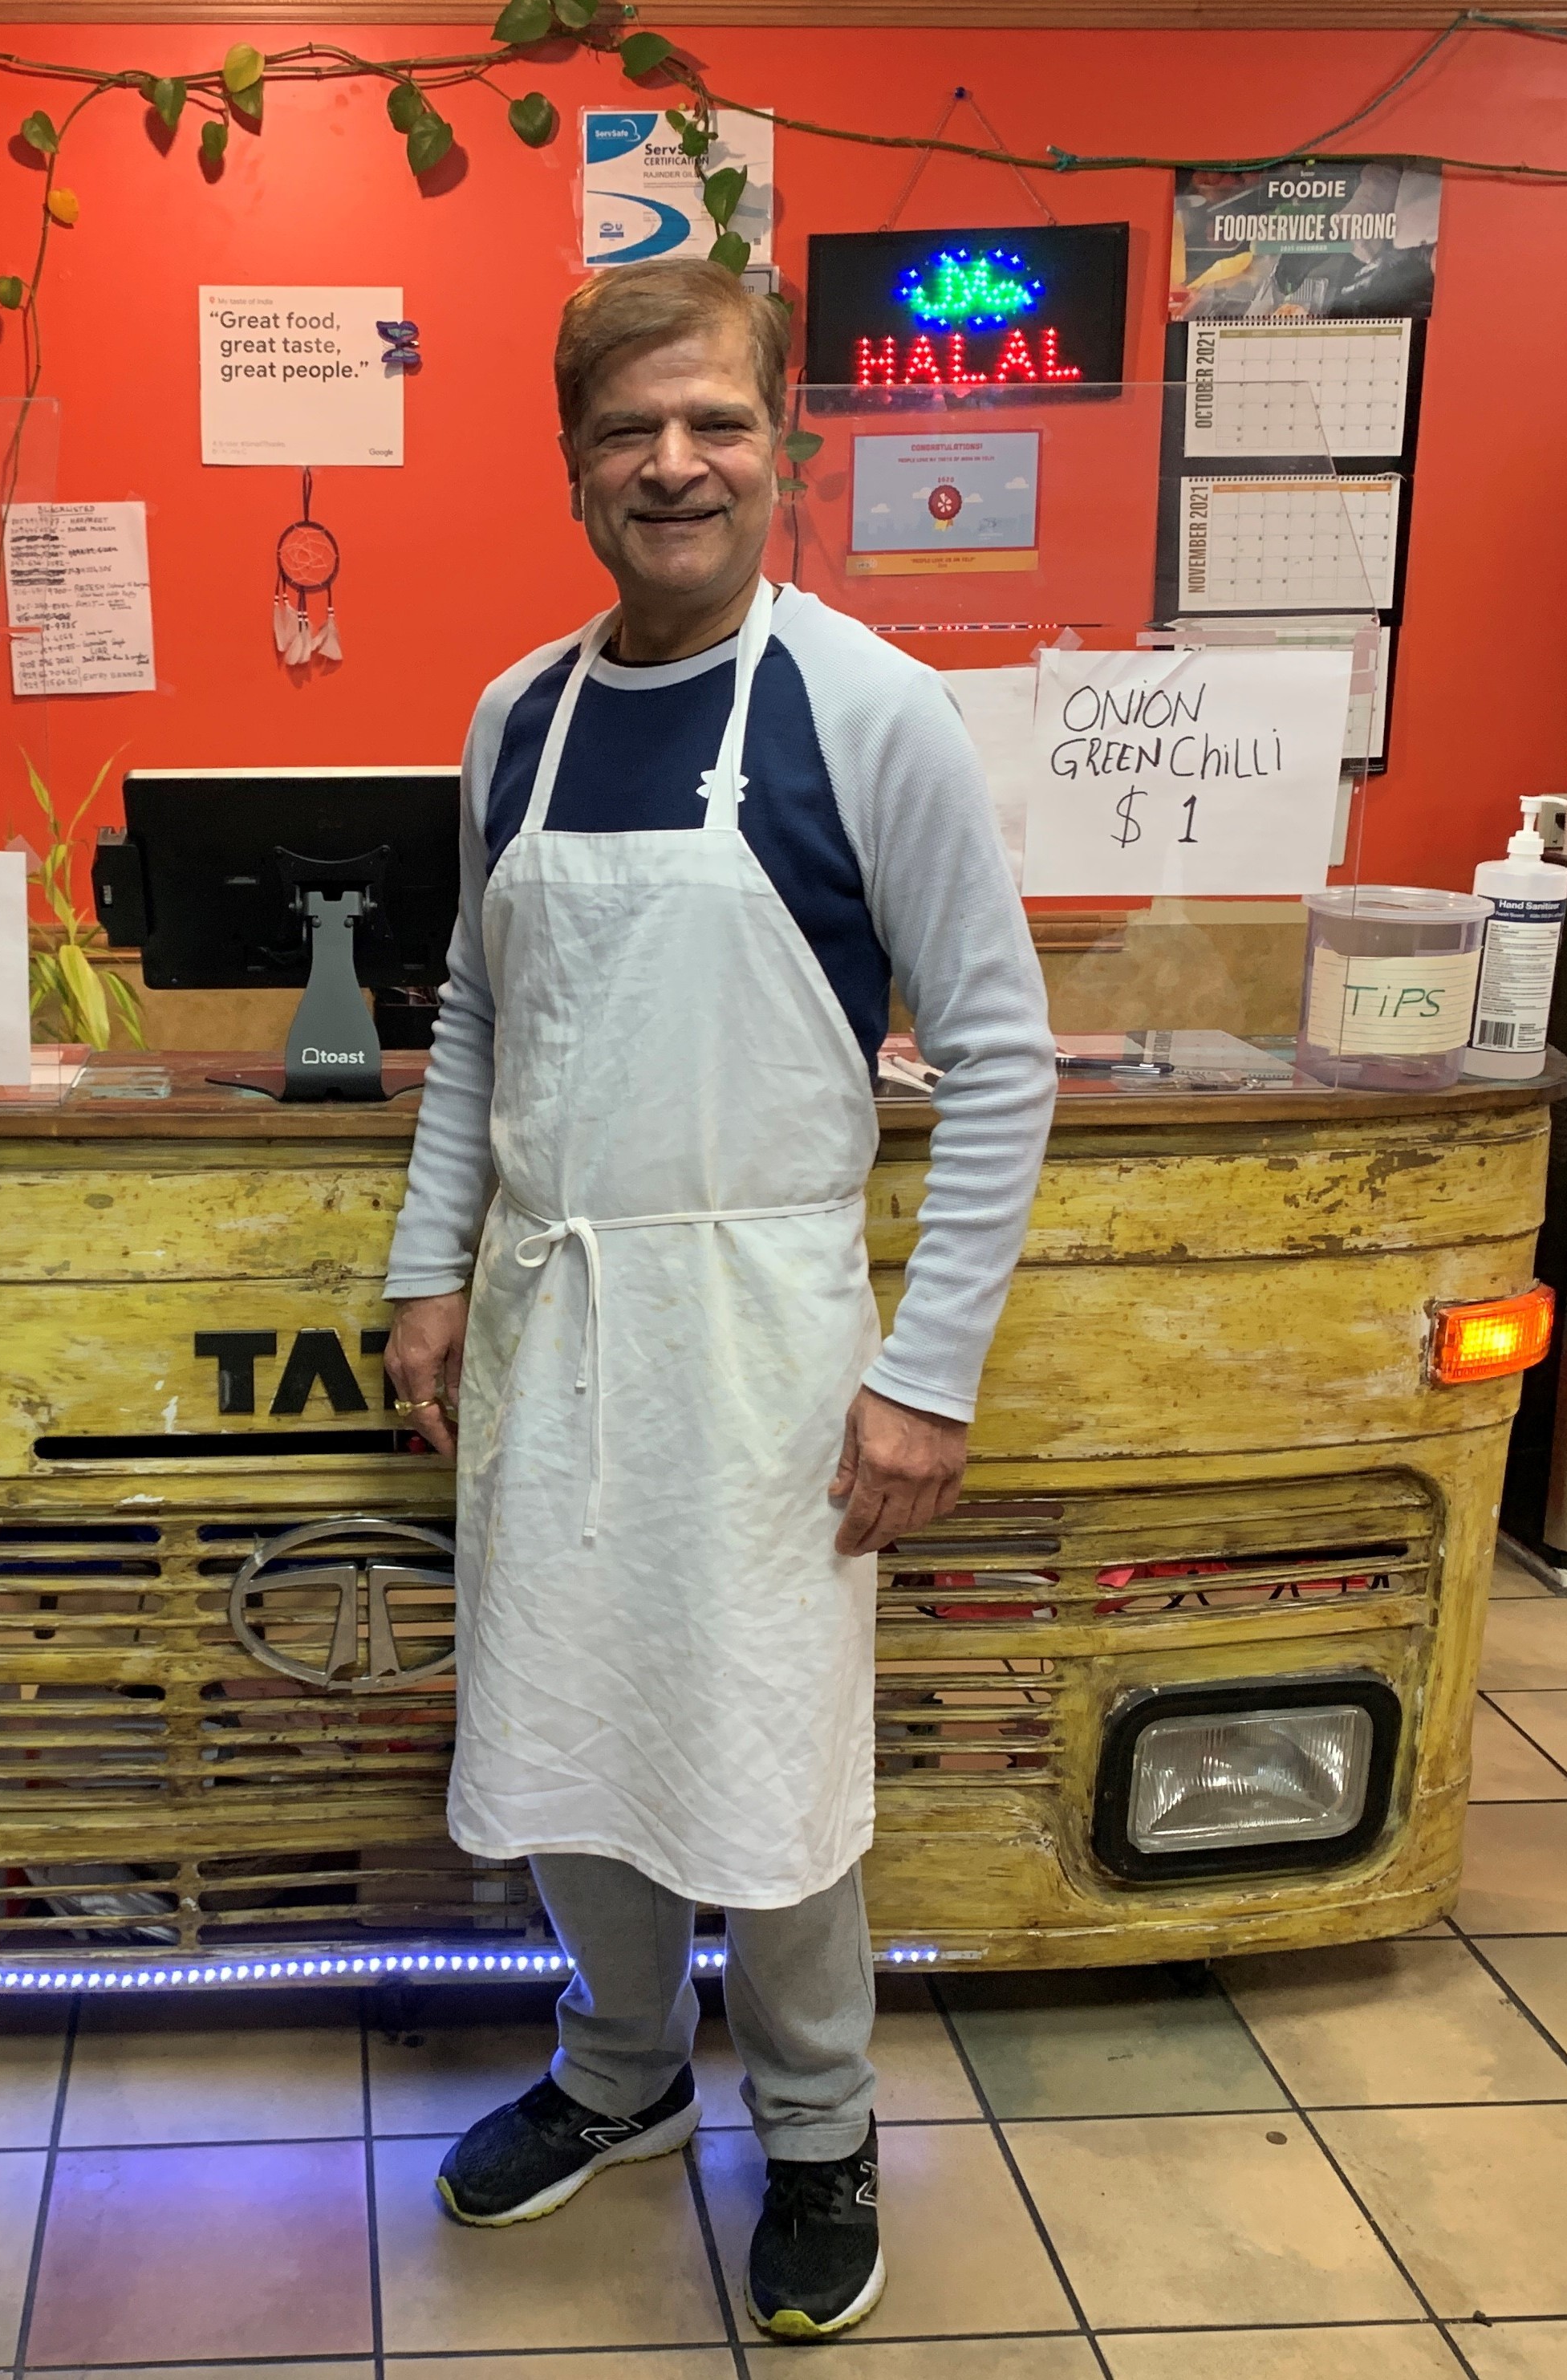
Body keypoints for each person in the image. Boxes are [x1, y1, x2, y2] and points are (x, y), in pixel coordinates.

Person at [378, 259, 1053, 2340]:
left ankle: (826, 2128)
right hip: (554, 1329)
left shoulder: (864, 712)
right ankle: (620, 2073)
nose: (672, 464)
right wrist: (429, 1268)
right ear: (573, 464)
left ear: (785, 451)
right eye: (625, 431)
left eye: (714, 424)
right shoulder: (518, 715)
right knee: (569, 1724)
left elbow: (1003, 1053)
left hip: (765, 1339)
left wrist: (922, 1373)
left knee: (762, 1764)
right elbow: (484, 1024)